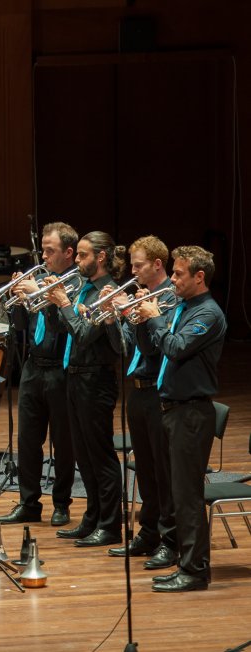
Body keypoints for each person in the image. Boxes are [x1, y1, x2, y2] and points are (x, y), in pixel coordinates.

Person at [134, 246, 225, 592]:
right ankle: (185, 563)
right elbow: (154, 348)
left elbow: (175, 347)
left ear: (199, 277)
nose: (171, 279)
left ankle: (195, 570)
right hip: (171, 409)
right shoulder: (184, 308)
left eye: (178, 274)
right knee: (176, 492)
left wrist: (155, 316)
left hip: (192, 413)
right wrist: (144, 320)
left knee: (187, 496)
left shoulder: (208, 314)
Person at [0, 222, 78, 527]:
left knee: (63, 440)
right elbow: (19, 325)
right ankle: (28, 502)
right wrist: (18, 297)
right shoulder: (39, 278)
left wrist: (41, 297)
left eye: (50, 251)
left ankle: (62, 503)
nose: (43, 257)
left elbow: (62, 324)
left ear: (68, 253)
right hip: (32, 367)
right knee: (27, 440)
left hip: (61, 369)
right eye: (42, 249)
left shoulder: (76, 283)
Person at [45, 231, 124, 547]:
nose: (76, 261)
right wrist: (53, 304)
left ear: (100, 258)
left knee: (100, 456)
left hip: (96, 380)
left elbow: (82, 334)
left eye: (82, 255)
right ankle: (91, 518)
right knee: (84, 456)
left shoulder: (106, 293)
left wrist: (64, 303)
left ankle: (110, 525)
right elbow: (62, 329)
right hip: (75, 377)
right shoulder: (84, 289)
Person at [105, 236, 177, 568]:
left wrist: (147, 314)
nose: (131, 271)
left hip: (160, 393)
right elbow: (127, 347)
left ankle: (169, 539)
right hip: (136, 391)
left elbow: (157, 350)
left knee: (163, 472)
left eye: (138, 265)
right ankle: (148, 533)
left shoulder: (171, 300)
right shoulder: (142, 297)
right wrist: (117, 317)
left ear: (157, 265)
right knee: (145, 470)